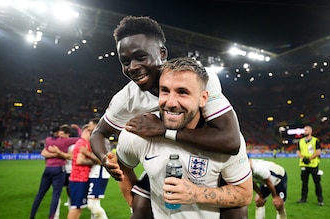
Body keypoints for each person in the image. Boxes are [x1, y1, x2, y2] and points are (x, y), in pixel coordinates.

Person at [90, 15, 248, 219]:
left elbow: (230, 141)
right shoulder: (127, 97)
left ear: (162, 53)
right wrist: (105, 158)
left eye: (140, 57)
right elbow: (99, 133)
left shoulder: (198, 78)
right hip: (165, 160)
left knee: (236, 212)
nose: (132, 67)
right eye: (125, 61)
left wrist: (165, 130)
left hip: (209, 161)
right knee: (140, 208)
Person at [115, 57, 253, 218]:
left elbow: (245, 194)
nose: (171, 102)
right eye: (165, 90)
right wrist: (136, 207)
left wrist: (196, 194)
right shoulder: (137, 133)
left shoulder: (223, 142)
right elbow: (123, 167)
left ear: (203, 98)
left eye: (183, 92)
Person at [30, 124, 81, 219]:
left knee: (40, 193)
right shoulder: (66, 141)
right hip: (59, 169)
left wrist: (52, 154)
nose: (60, 135)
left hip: (48, 168)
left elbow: (44, 153)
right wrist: (78, 128)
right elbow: (81, 138)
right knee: (56, 195)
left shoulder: (48, 140)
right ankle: (52, 217)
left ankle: (32, 216)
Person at [67, 124, 102, 219]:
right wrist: (95, 161)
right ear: (87, 131)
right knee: (76, 208)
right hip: (79, 179)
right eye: (91, 132)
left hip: (78, 179)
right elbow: (79, 161)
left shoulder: (81, 142)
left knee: (78, 207)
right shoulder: (83, 143)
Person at [87, 118, 110, 219]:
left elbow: (103, 160)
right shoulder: (95, 137)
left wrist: (86, 153)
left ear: (96, 125)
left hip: (99, 172)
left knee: (92, 204)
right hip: (95, 172)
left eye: (90, 124)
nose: (88, 127)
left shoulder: (101, 139)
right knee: (95, 203)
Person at [296, 125, 324, 206]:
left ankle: (320, 199)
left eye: (306, 130)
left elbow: (318, 152)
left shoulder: (315, 141)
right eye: (304, 130)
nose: (305, 131)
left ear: (310, 131)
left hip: (313, 165)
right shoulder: (300, 141)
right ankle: (303, 198)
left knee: (317, 183)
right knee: (304, 183)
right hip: (304, 165)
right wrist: (303, 158)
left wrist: (309, 159)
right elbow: (298, 152)